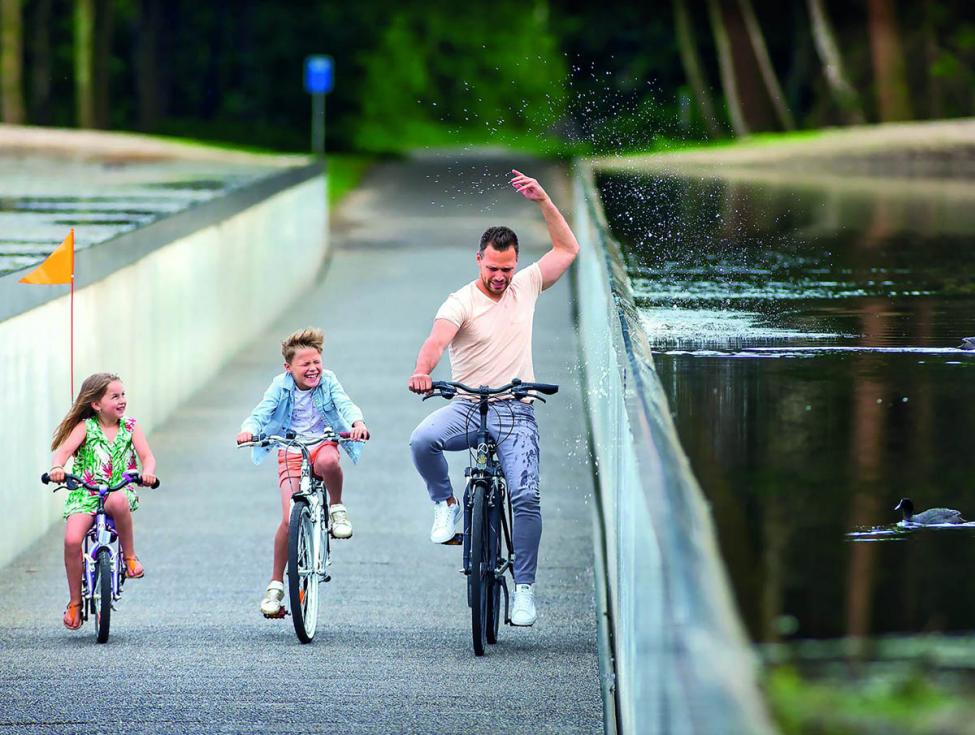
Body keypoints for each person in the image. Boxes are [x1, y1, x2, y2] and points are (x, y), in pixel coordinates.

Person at [408, 169, 580, 627]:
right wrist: (423, 372)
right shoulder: (460, 301)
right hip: (467, 406)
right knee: (421, 441)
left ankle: (523, 589)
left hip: (515, 411)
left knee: (525, 496)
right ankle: (447, 507)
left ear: (516, 263)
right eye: (492, 269)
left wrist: (544, 200)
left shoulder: (526, 285)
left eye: (507, 268)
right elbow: (436, 341)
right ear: (478, 260)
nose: (501, 277)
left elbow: (568, 249)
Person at [237, 327, 369, 618]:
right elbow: (262, 412)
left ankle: (336, 507)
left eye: (316, 362)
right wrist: (249, 430)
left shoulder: (329, 381)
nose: (313, 369)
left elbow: (345, 405)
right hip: (291, 449)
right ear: (288, 367)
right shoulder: (279, 385)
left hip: (323, 442)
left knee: (329, 464)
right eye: (305, 364)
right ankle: (275, 585)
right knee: (288, 519)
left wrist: (357, 423)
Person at [48, 372, 158, 630]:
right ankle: (75, 601)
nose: (122, 400)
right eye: (115, 396)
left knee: (118, 502)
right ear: (96, 404)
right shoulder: (85, 427)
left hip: (117, 488)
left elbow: (147, 456)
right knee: (73, 540)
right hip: (86, 492)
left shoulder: (130, 426)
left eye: (123, 395)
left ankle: (129, 556)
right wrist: (57, 468)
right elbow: (62, 453)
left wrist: (148, 472)